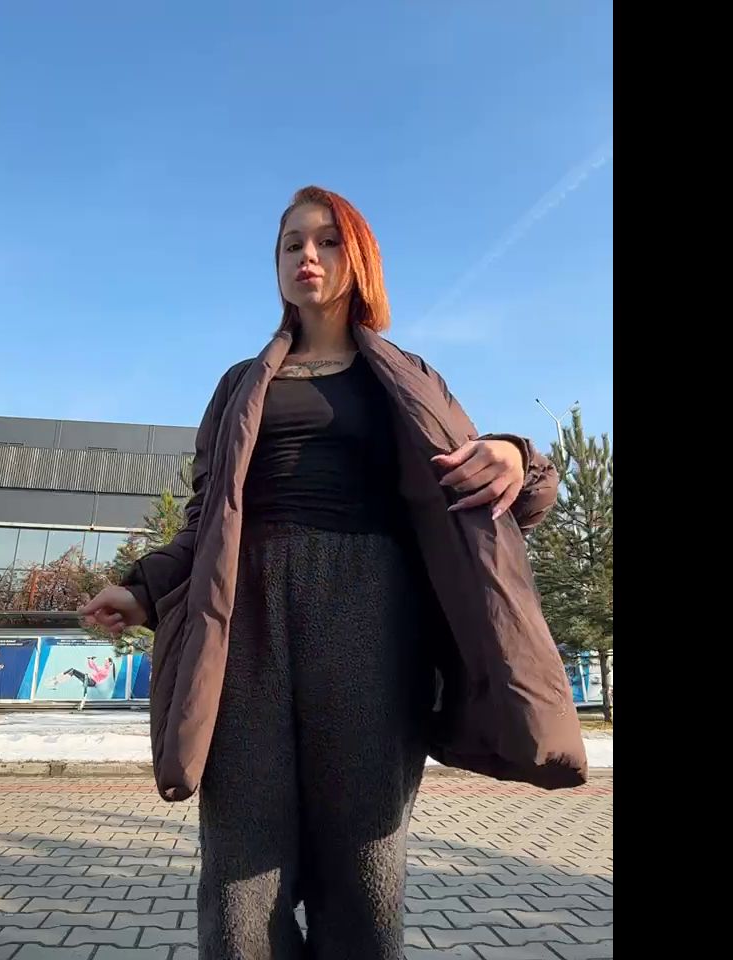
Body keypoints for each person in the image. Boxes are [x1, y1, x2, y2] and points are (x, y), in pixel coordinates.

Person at [79, 186, 587, 960]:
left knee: (365, 866)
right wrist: (142, 586)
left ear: (360, 260)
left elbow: (493, 482)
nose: (307, 256)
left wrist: (518, 455)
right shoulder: (240, 384)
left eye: (326, 241)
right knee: (240, 873)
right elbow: (206, 518)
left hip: (372, 616)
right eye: (291, 244)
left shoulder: (406, 376)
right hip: (248, 620)